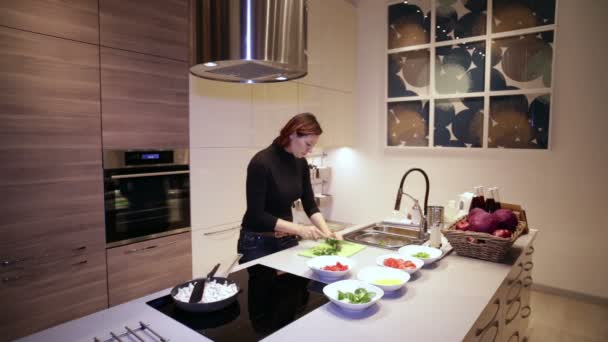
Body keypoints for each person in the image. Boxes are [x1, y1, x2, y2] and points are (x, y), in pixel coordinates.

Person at [237, 113, 336, 264]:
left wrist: (327, 233)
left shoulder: (300, 162)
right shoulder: (261, 162)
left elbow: (310, 204)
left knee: (293, 286)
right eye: (308, 144)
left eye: (313, 146)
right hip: (258, 241)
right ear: (293, 134)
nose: (310, 150)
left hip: (287, 238)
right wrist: (300, 230)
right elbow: (256, 214)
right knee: (263, 288)